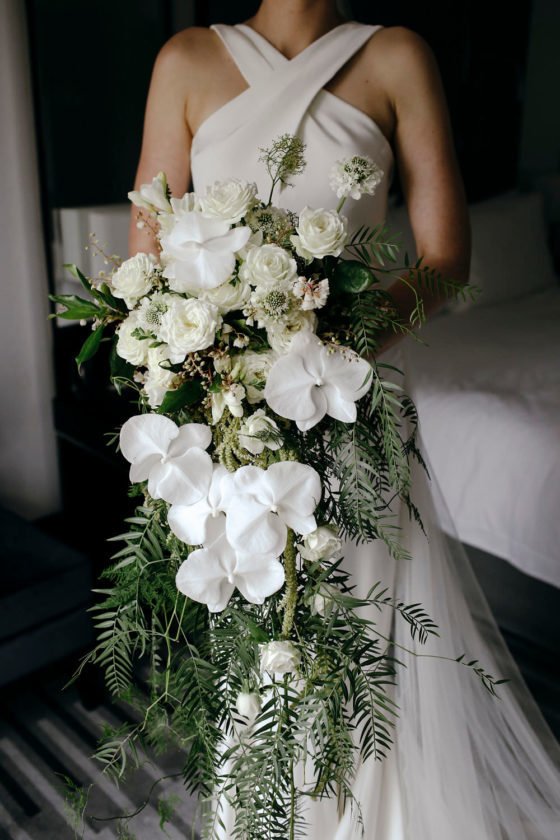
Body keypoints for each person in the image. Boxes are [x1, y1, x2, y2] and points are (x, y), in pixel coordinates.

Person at [129, 2, 560, 837]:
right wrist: (213, 363)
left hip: (352, 410)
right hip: (231, 425)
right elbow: (147, 264)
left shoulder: (398, 56)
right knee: (257, 655)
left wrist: (328, 347)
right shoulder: (184, 60)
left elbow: (445, 259)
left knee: (358, 648)